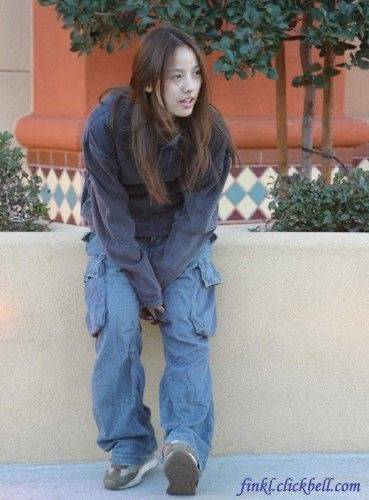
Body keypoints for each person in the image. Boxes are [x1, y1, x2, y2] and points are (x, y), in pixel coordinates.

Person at [80, 24, 239, 496]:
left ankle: (185, 444)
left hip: (181, 244)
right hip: (117, 241)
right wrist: (145, 287)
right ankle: (129, 447)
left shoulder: (211, 132)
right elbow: (109, 216)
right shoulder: (107, 126)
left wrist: (161, 282)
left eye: (195, 74)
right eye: (176, 77)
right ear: (150, 81)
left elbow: (196, 221)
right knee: (117, 326)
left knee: (186, 326)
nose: (190, 88)